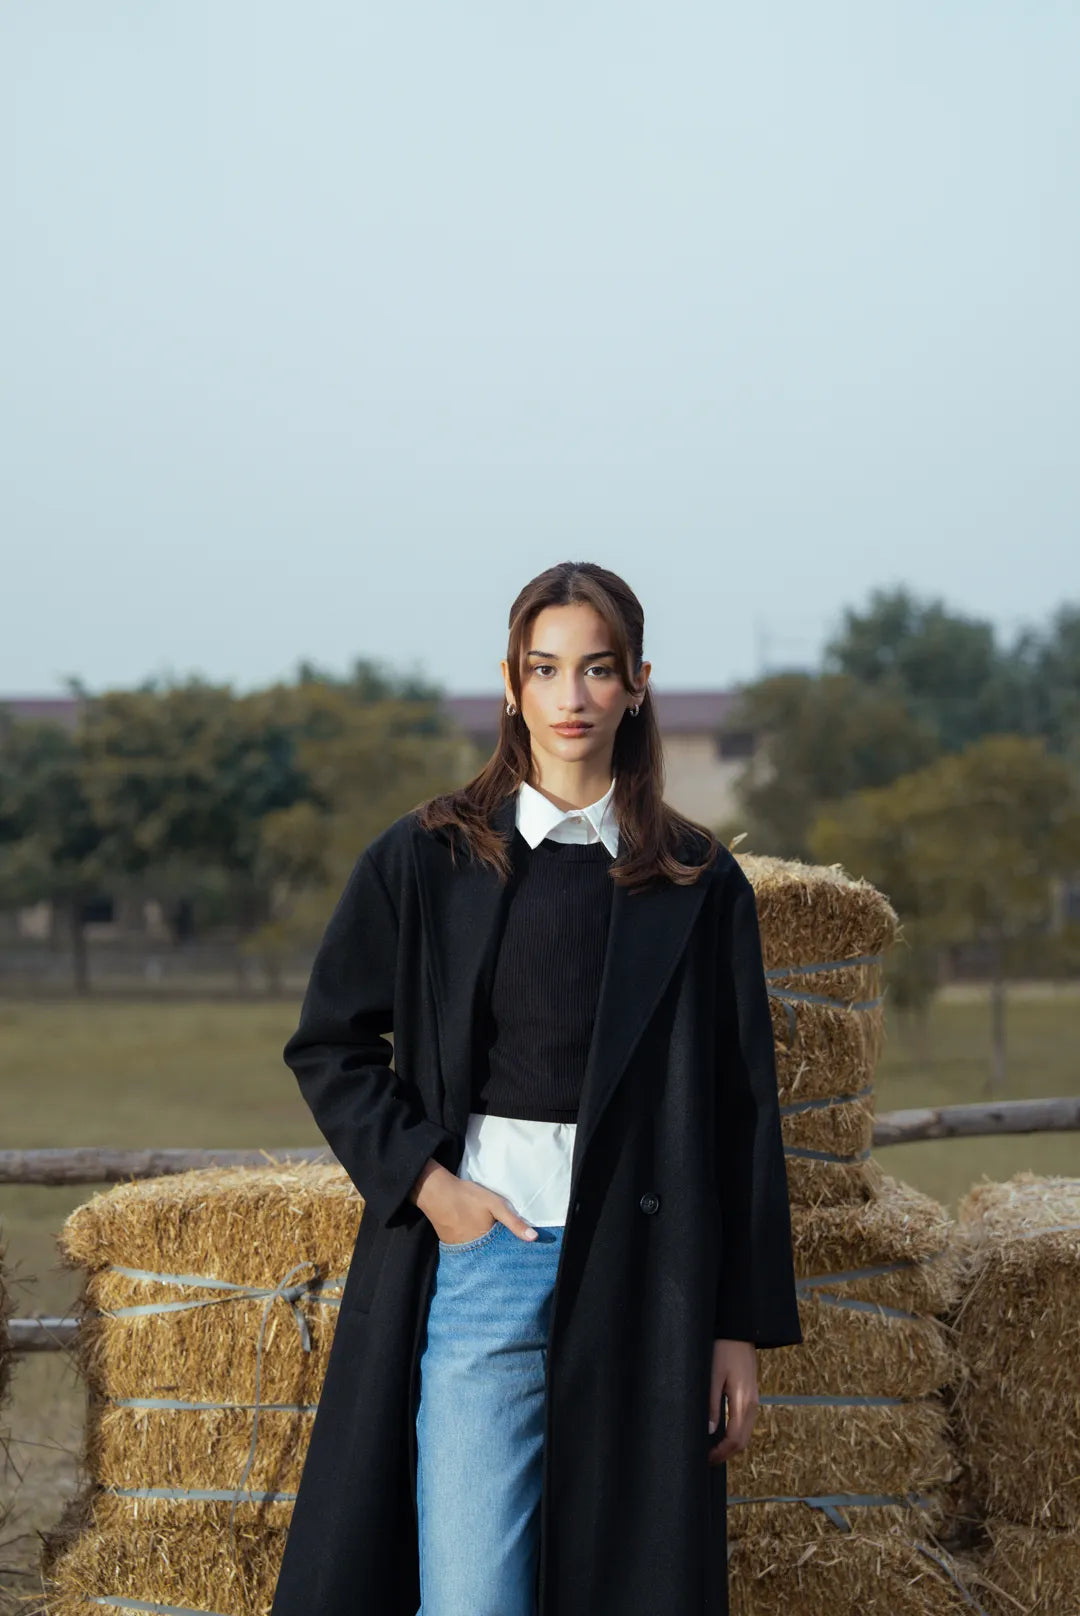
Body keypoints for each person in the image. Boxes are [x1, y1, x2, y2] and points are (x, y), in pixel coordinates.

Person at [269, 560, 802, 1616]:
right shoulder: (427, 856)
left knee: (628, 1583)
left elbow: (744, 1110)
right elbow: (328, 1043)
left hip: (651, 1275)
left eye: (598, 669)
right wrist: (434, 1190)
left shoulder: (700, 880)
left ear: (638, 682)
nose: (573, 696)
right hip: (484, 1260)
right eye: (547, 668)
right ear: (509, 682)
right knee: (471, 1596)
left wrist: (736, 1323)